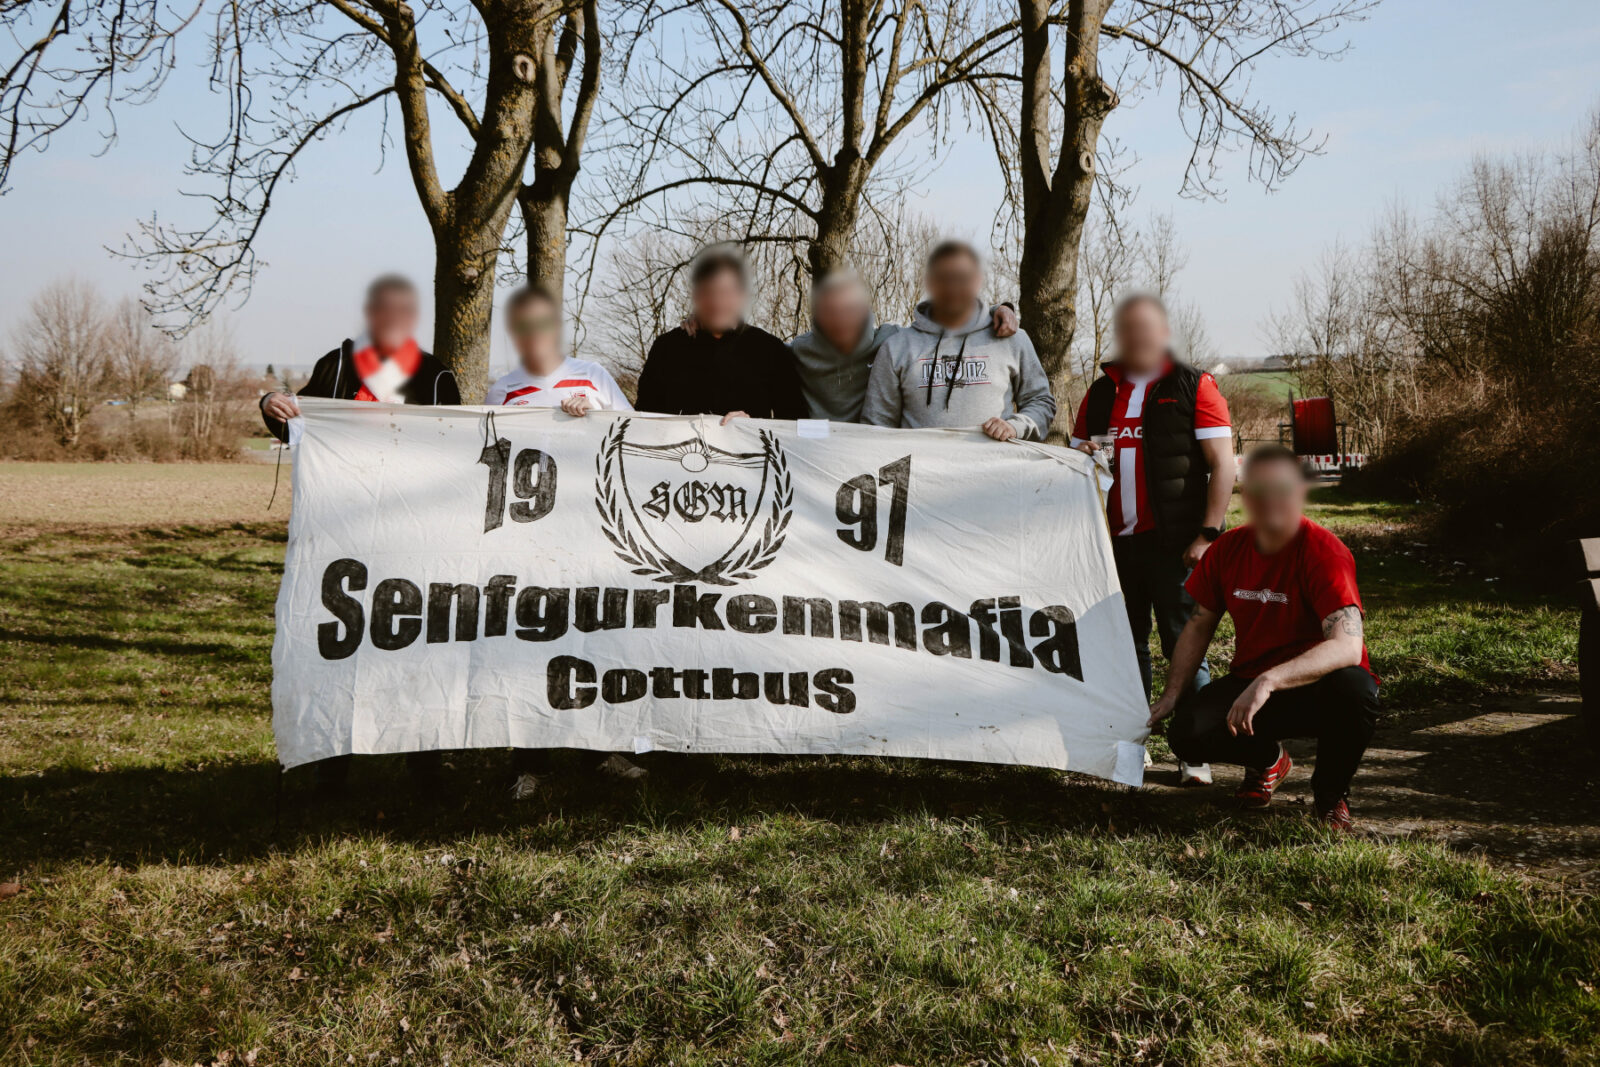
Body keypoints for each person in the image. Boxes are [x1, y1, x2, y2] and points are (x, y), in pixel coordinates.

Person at [260, 273, 459, 797]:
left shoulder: (437, 375)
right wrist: (270, 405)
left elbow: (456, 449)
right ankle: (334, 765)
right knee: (343, 642)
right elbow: (297, 422)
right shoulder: (340, 364)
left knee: (419, 642)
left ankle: (425, 766)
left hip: (415, 536)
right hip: (342, 534)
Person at [1147, 445, 1380, 832]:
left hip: (1318, 685)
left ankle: (1330, 795)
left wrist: (1270, 681)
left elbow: (1347, 646)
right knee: (1187, 733)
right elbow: (1200, 622)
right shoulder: (1228, 549)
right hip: (1252, 682)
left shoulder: (1324, 552)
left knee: (1357, 690)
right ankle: (1269, 759)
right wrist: (1172, 693)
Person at [486, 284, 647, 798]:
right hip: (529, 538)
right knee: (529, 639)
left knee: (595, 634)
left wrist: (596, 410)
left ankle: (601, 751)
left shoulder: (593, 374)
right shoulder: (502, 389)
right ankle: (529, 762)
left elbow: (633, 433)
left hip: (590, 531)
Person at [1070, 294, 1233, 787]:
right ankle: (1133, 748)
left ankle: (1193, 752)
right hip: (1115, 546)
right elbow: (1076, 461)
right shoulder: (1100, 392)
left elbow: (1224, 464)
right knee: (1127, 648)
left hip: (1178, 546)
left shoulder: (1193, 384)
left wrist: (1208, 533)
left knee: (1186, 647)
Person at [860, 241, 1055, 441]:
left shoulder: (1012, 339)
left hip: (996, 469)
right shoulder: (897, 347)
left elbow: (1041, 402)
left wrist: (1015, 427)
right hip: (922, 470)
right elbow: (876, 427)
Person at [784, 270, 1018, 423]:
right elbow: (764, 360)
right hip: (816, 444)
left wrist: (996, 310)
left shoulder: (890, 340)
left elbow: (938, 324)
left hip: (866, 442)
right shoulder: (799, 350)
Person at [259, 273, 460, 440]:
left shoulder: (436, 375)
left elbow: (453, 441)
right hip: (344, 484)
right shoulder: (336, 365)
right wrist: (269, 403)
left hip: (406, 486)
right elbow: (298, 428)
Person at [635, 249, 807, 422]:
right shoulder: (666, 349)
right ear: (695, 296)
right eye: (708, 292)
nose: (717, 302)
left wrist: (753, 426)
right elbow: (642, 422)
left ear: (742, 297)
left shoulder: (770, 350)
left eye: (725, 292)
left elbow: (795, 425)